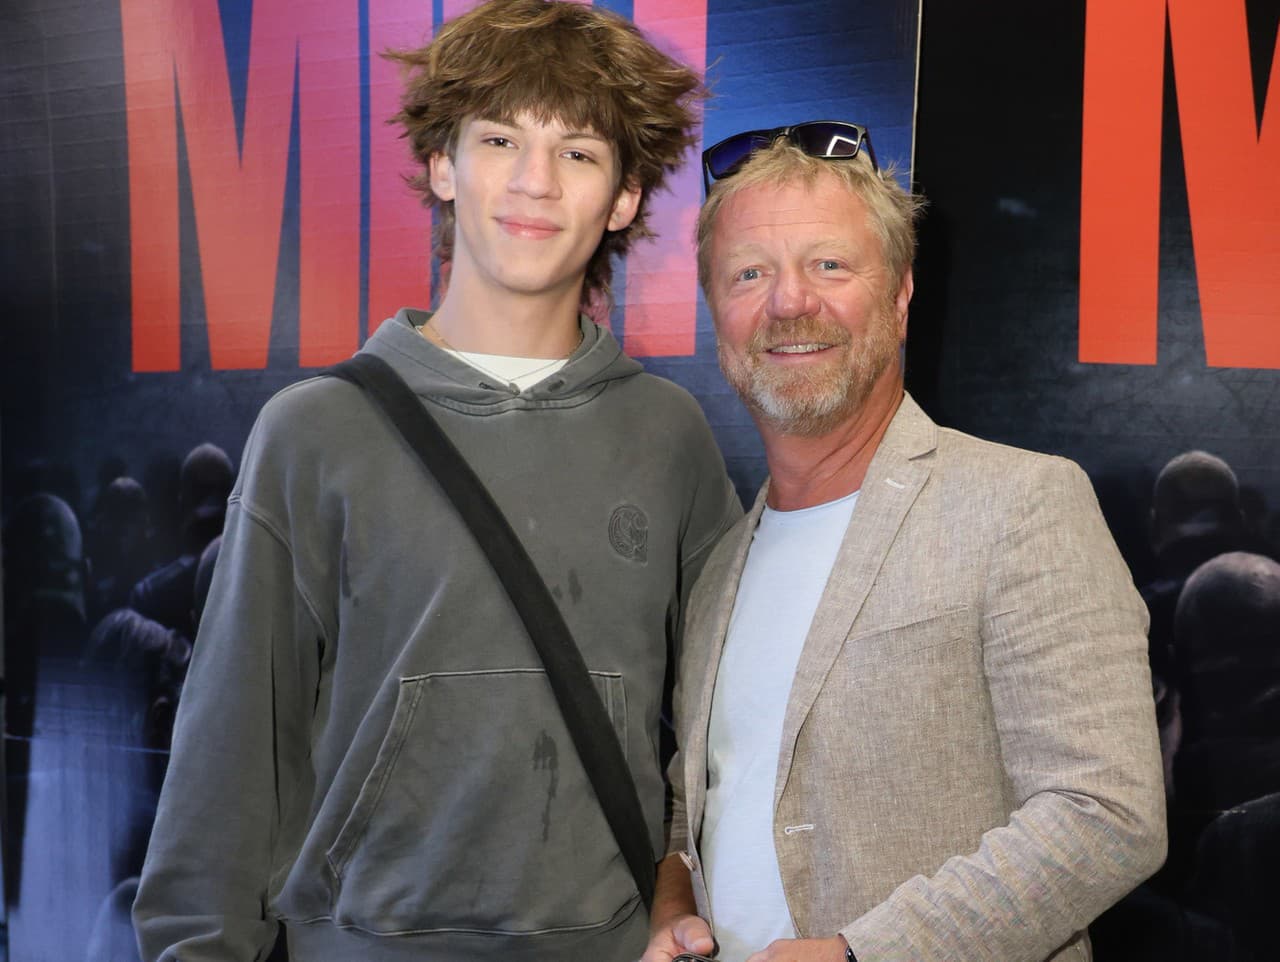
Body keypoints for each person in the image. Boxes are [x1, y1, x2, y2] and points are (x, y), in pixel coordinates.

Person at [132, 2, 740, 959]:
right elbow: (230, 749)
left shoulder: (669, 436)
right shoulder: (315, 432)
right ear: (442, 165)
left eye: (578, 152)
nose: (535, 181)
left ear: (625, 198)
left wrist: (678, 889)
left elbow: (726, 736)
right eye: (500, 140)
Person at [644, 122, 1167, 962]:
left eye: (829, 265)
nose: (789, 302)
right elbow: (698, 807)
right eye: (750, 273)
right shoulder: (718, 572)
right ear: (716, 313)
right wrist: (674, 903)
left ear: (899, 295)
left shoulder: (1021, 504)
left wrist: (865, 954)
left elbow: (1107, 813)